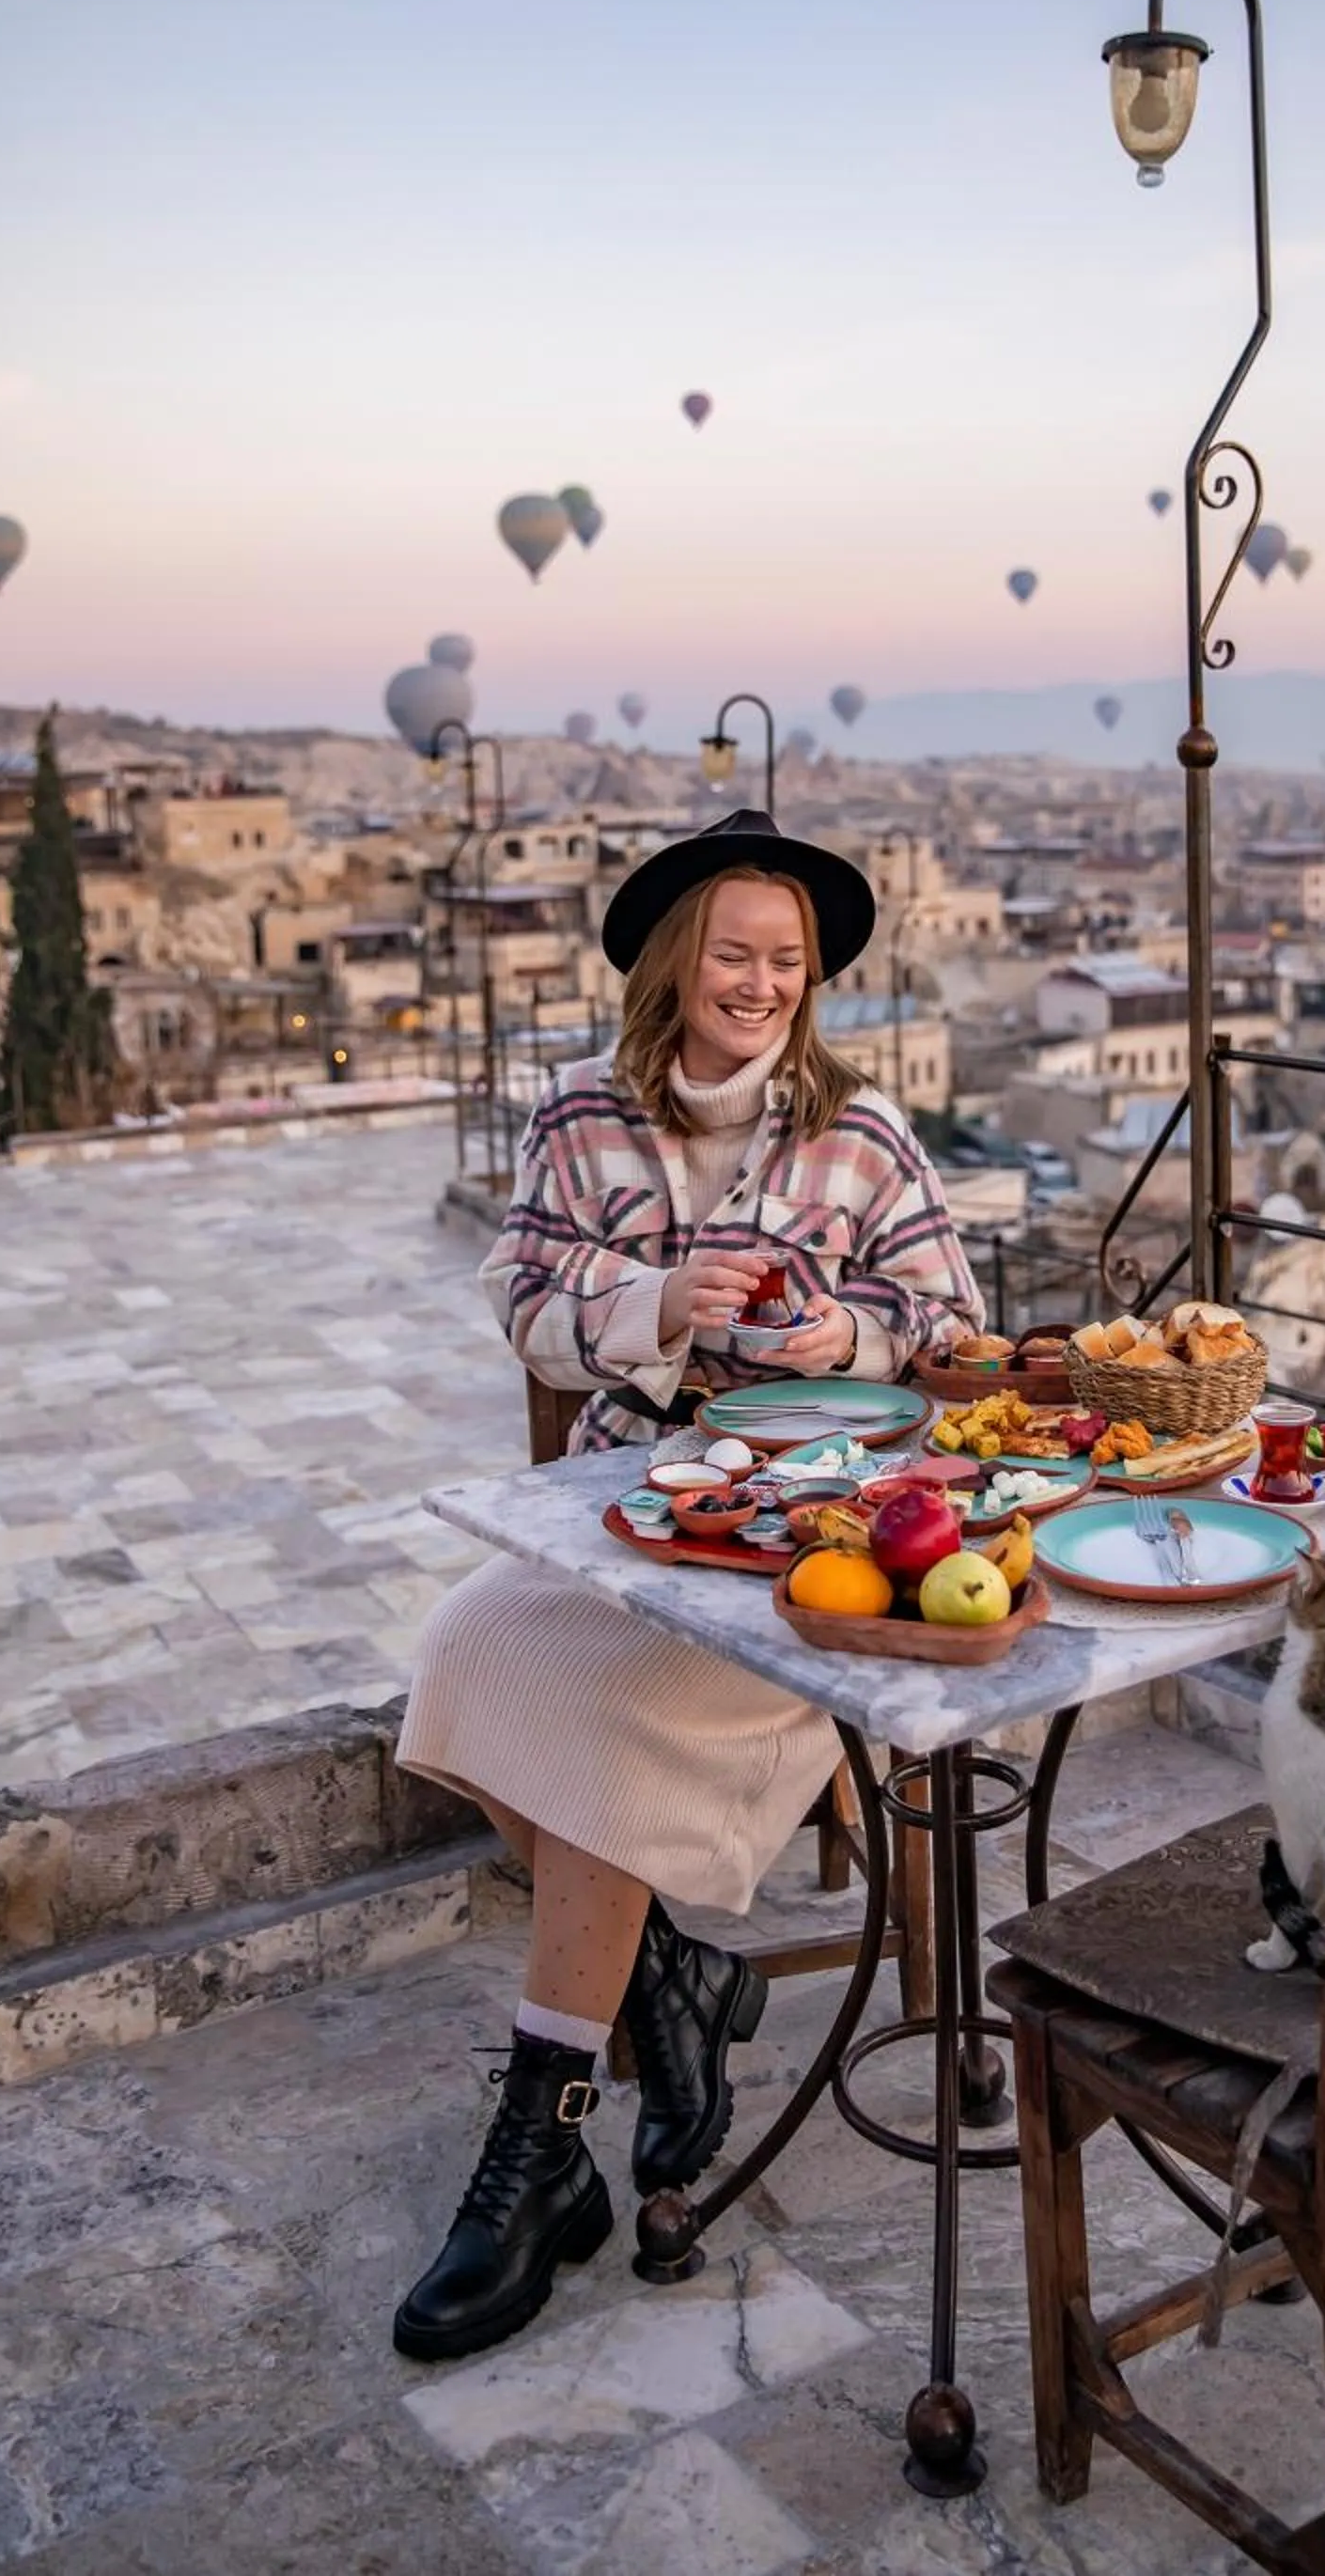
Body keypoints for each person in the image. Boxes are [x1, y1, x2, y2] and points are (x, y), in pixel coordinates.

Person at [392, 809, 981, 2360]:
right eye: (736, 951)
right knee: (461, 1654)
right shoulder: (582, 1117)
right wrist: (655, 1301)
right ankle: (674, 1975)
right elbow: (519, 1301)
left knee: (597, 1729)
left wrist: (834, 1343)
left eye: (788, 959)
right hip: (623, 1508)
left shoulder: (866, 1137)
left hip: (814, 1544)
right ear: (677, 961)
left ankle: (541, 2144)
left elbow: (950, 1331)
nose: (764, 981)